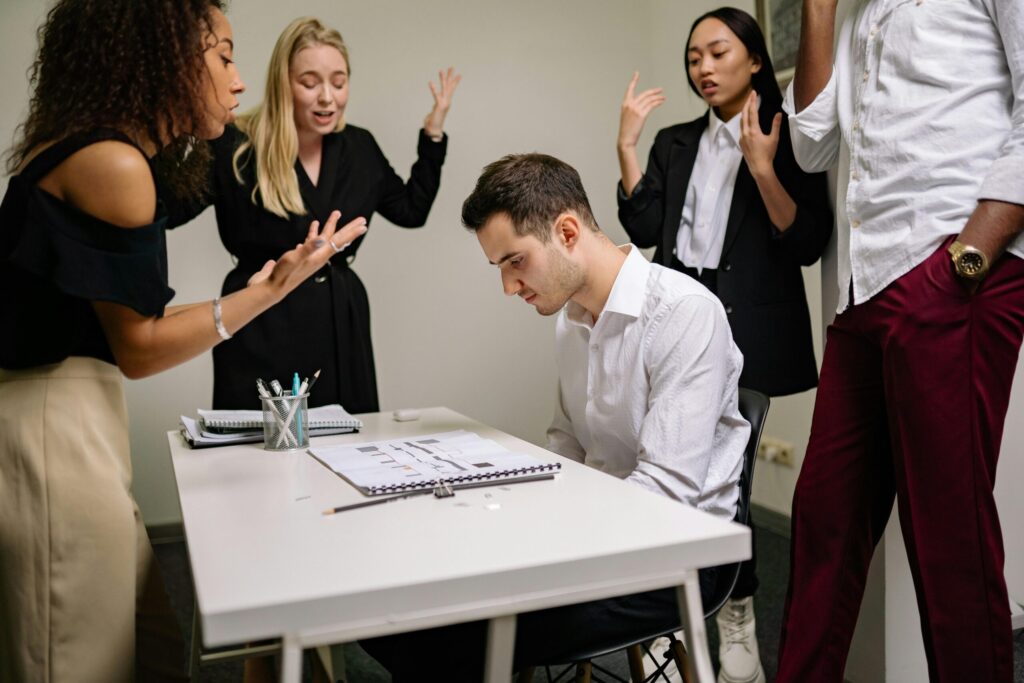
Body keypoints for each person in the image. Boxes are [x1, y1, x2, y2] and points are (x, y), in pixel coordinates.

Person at [0, 2, 366, 682]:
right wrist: (270, 289)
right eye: (224, 57)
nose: (237, 82)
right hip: (53, 431)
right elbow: (140, 348)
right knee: (74, 658)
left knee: (153, 650)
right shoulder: (112, 164)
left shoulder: (92, 150)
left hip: (72, 422)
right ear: (164, 58)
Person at [360, 153, 750, 681]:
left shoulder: (684, 313)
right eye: (499, 268)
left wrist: (542, 541)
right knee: (396, 600)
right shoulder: (571, 318)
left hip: (679, 555)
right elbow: (566, 444)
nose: (508, 286)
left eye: (514, 262)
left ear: (567, 231)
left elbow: (666, 495)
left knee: (442, 631)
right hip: (600, 536)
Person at [777, 0, 1024, 680]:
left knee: (949, 537)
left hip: (953, 265)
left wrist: (966, 261)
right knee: (824, 515)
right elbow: (811, 144)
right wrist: (819, 12)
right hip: (865, 283)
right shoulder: (857, 13)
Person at [616, 9, 832, 681]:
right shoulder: (677, 141)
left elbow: (805, 243)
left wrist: (764, 169)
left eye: (717, 53)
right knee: (658, 464)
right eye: (693, 58)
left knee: (730, 480)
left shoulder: (791, 133)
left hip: (753, 328)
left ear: (757, 60)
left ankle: (737, 607)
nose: (703, 68)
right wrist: (628, 146)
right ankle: (659, 613)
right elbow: (646, 222)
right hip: (679, 316)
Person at [167, 16, 460, 413]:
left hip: (342, 323)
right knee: (260, 455)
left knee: (349, 455)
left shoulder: (359, 147)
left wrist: (433, 136)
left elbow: (411, 210)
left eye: (338, 83)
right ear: (282, 82)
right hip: (259, 319)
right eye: (310, 82)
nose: (327, 97)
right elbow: (164, 211)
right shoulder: (236, 144)